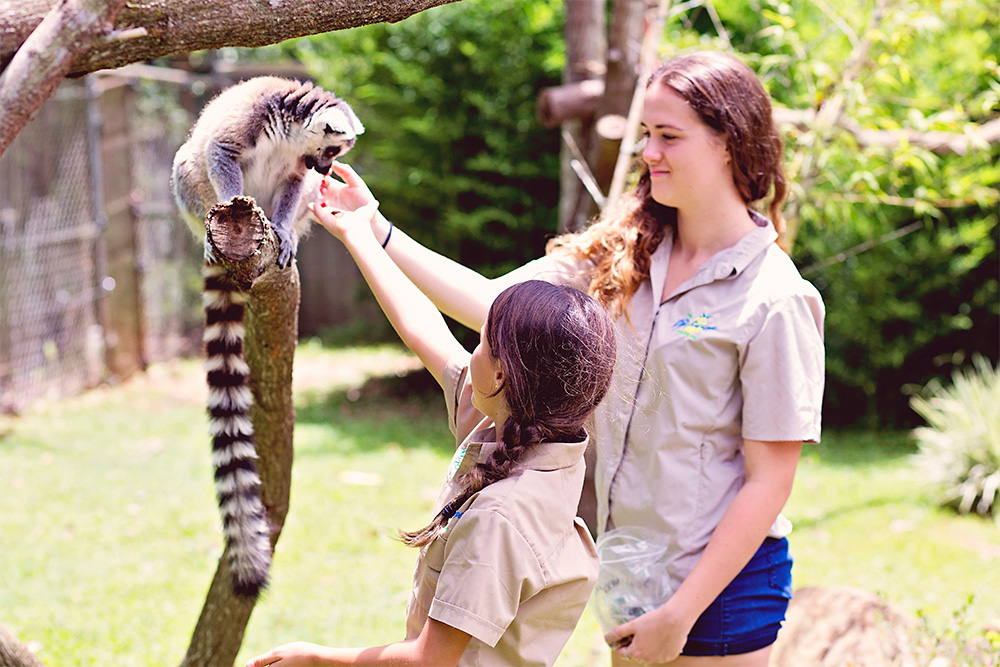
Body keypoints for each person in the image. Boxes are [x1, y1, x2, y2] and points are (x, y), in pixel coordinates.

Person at [316, 50, 825, 666]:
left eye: (668, 136)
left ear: (729, 143)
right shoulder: (625, 251)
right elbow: (497, 306)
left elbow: (770, 480)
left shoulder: (776, 297)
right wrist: (378, 231)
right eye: (645, 135)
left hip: (720, 593)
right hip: (629, 577)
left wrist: (683, 613)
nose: (648, 153)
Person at [246, 200, 618, 667]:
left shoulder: (501, 516)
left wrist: (315, 657)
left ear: (501, 377)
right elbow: (422, 329)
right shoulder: (536, 432)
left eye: (481, 341)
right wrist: (360, 232)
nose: (469, 350)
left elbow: (429, 660)